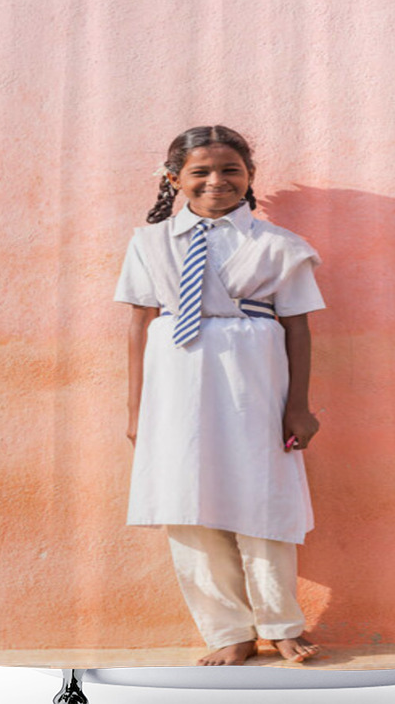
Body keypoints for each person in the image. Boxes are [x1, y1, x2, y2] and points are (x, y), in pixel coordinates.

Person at [113, 125, 325, 666]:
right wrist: (138, 409)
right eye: (200, 171)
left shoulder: (277, 246)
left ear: (249, 177)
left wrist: (297, 404)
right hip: (176, 385)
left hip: (252, 381)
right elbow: (140, 324)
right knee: (188, 502)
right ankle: (226, 628)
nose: (216, 181)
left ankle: (279, 622)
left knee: (262, 497)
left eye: (231, 170)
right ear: (174, 179)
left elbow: (298, 327)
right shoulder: (149, 243)